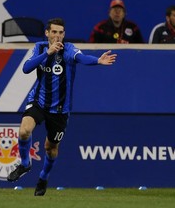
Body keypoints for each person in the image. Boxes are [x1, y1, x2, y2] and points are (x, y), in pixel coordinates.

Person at [7, 18, 117, 196]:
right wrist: (47, 53)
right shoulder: (41, 48)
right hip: (38, 101)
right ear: (47, 33)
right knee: (24, 131)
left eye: (61, 33)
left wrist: (97, 61)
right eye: (54, 32)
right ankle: (25, 164)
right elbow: (26, 68)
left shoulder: (69, 49)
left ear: (64, 34)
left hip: (60, 109)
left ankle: (43, 177)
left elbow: (82, 58)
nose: (58, 36)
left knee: (50, 148)